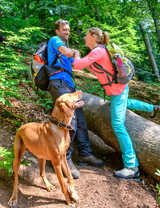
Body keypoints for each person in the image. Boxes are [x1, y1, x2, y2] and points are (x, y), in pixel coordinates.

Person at [73, 27, 160, 181]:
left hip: (118, 89)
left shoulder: (98, 51)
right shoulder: (99, 51)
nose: (84, 38)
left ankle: (132, 166)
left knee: (118, 124)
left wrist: (75, 53)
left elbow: (78, 65)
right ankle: (152, 108)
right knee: (124, 103)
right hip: (118, 90)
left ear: (93, 36)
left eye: (86, 35)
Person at [47, 20, 104, 179]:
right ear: (57, 31)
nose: (67, 32)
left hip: (69, 86)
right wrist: (77, 52)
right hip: (58, 83)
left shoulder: (66, 48)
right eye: (64, 29)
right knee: (68, 120)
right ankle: (64, 157)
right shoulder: (55, 41)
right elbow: (70, 52)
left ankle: (85, 154)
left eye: (69, 30)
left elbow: (80, 64)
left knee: (80, 119)